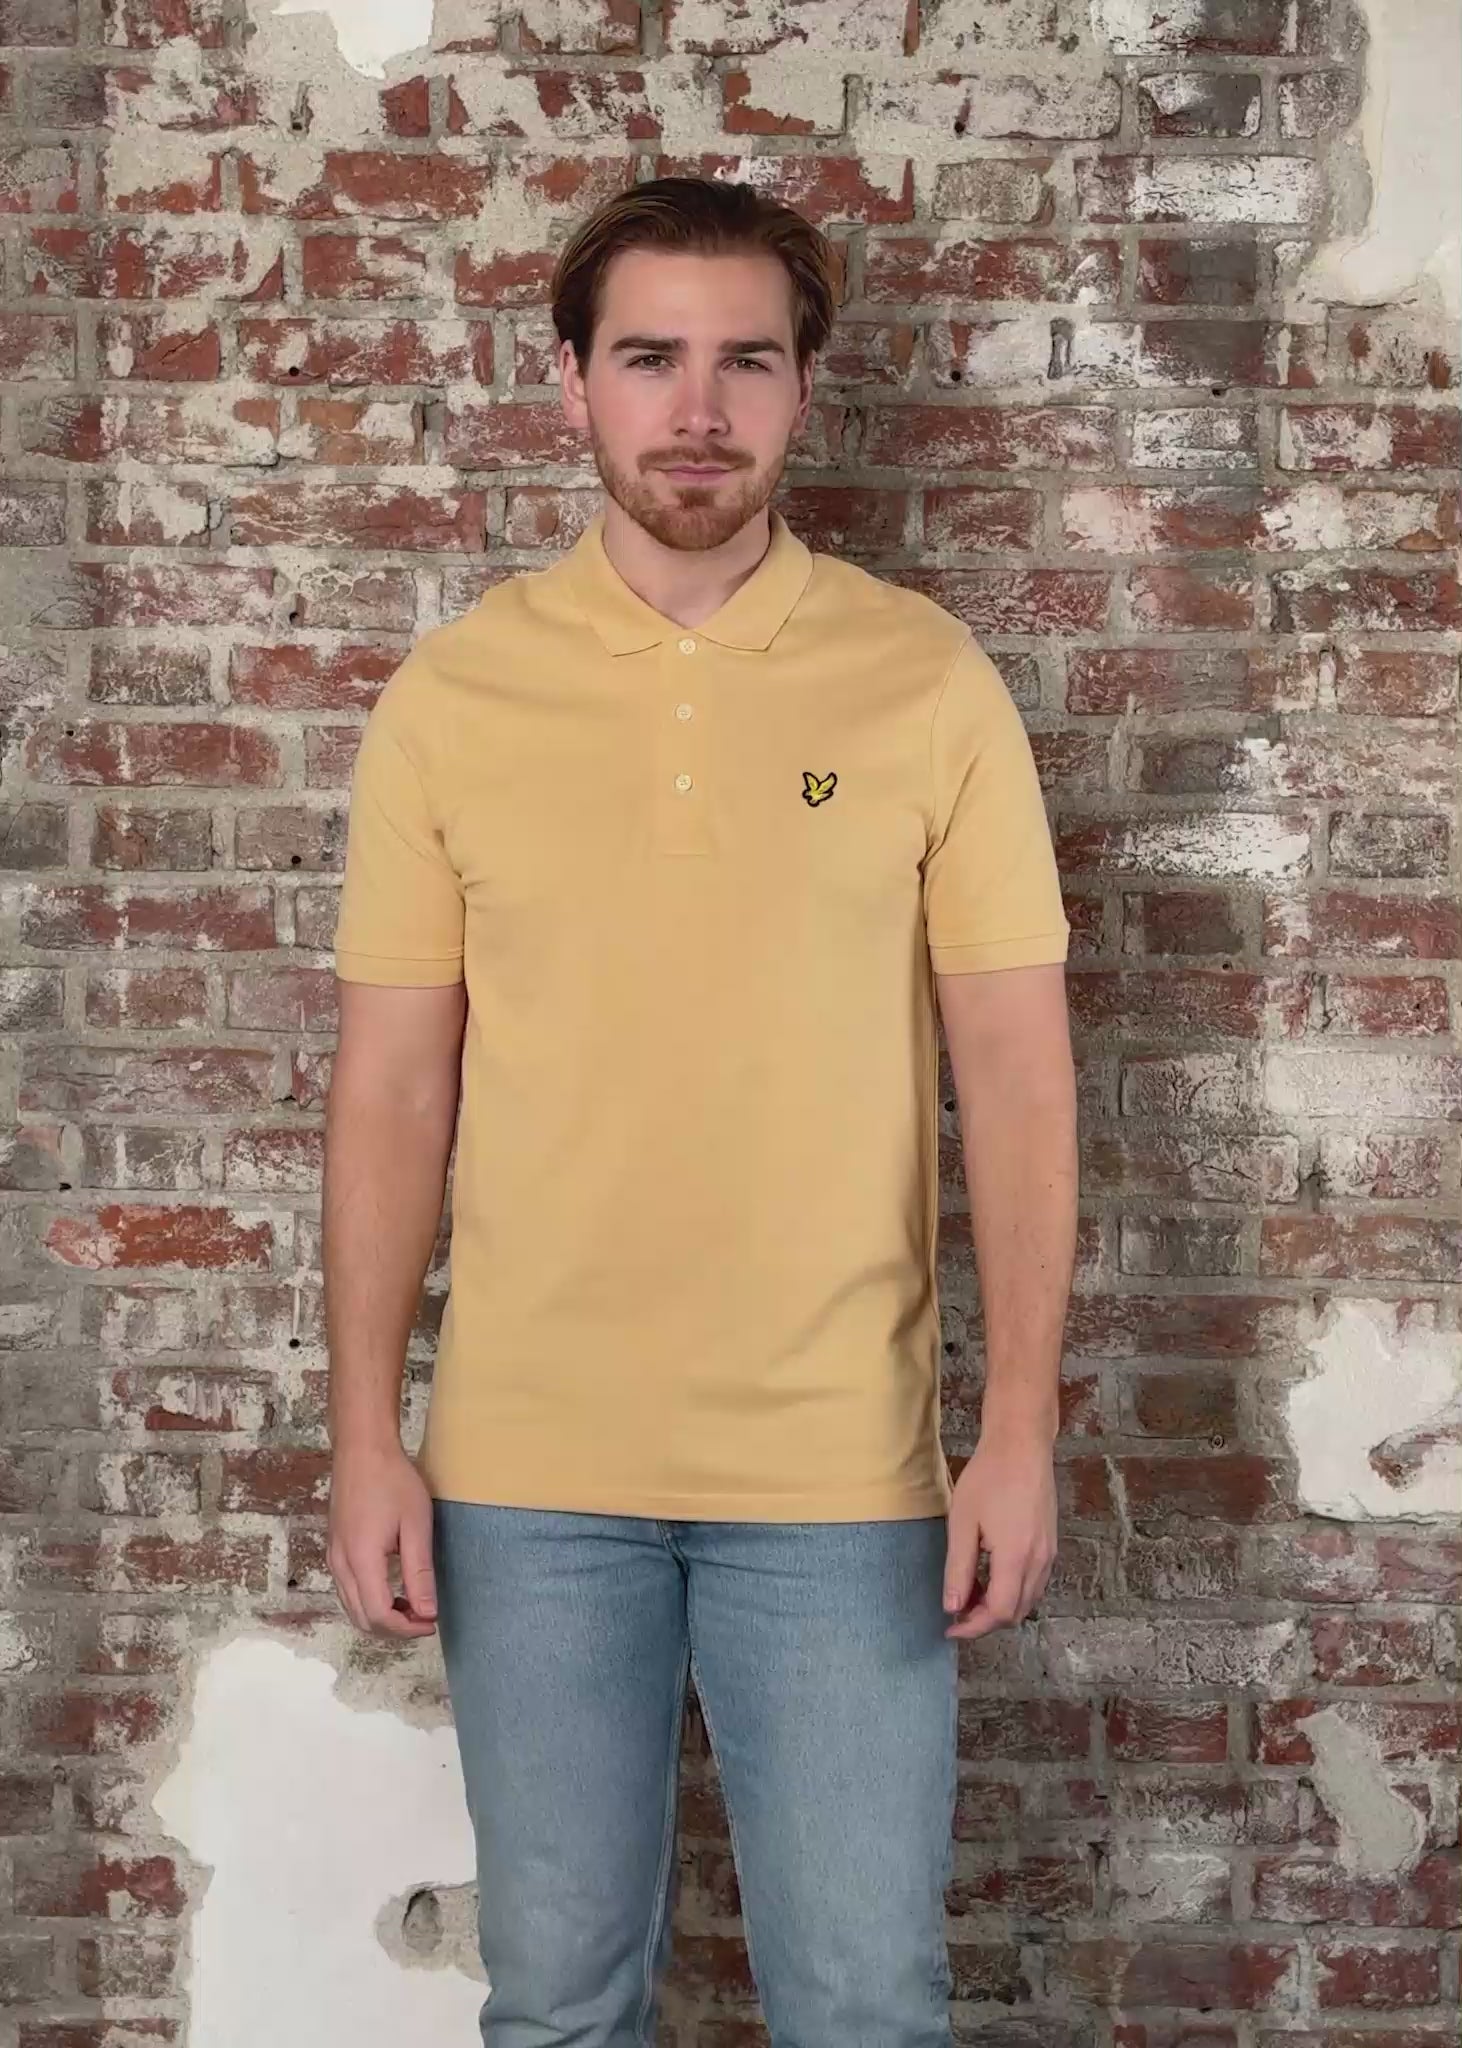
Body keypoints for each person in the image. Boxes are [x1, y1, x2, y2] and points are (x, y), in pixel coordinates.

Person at [323, 174, 1078, 2047]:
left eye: (746, 361)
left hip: (840, 1474)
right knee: (559, 2007)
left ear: (803, 391)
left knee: (863, 2008)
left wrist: (1017, 1430)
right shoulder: (454, 696)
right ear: (570, 381)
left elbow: (1014, 1073)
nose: (697, 408)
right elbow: (394, 1087)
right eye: (649, 356)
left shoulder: (924, 682)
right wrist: (363, 1434)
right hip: (526, 1475)